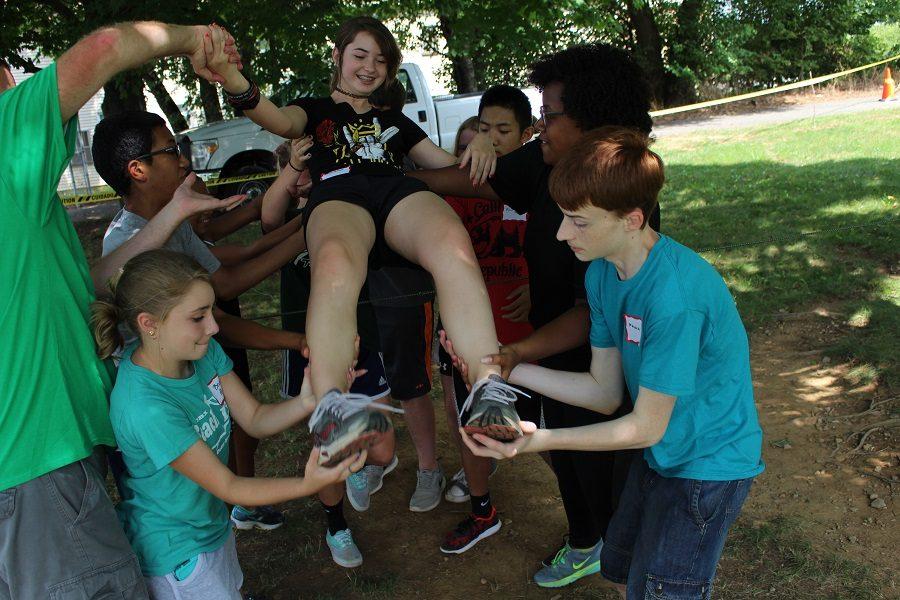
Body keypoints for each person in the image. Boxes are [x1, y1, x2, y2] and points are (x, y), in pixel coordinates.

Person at [458, 127, 764, 600]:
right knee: (621, 566)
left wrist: (538, 441)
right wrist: (504, 366)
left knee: (664, 590)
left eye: (578, 221)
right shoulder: (603, 272)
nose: (562, 234)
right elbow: (604, 393)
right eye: (561, 217)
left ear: (632, 219)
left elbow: (645, 427)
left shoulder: (675, 298)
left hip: (707, 463)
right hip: (662, 450)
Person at [204, 18, 519, 464]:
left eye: (381, 59)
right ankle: (334, 410)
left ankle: (488, 389)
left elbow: (450, 165)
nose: (370, 67)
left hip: (396, 192)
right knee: (333, 264)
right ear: (337, 57)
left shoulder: (397, 121)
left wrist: (484, 144)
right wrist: (231, 76)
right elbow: (273, 116)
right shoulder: (313, 112)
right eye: (360, 55)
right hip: (339, 193)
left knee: (452, 242)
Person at [0, 21, 243, 598]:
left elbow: (76, 286)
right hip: (38, 465)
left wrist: (172, 215)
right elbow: (106, 48)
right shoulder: (7, 151)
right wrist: (194, 39)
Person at [410, 43, 659, 587]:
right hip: (560, 344)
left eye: (550, 116)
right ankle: (586, 538)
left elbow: (587, 315)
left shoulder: (613, 195)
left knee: (603, 463)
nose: (540, 127)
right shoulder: (549, 160)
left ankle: (617, 548)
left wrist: (515, 354)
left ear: (593, 122)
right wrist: (383, 187)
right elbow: (464, 179)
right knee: (568, 454)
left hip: (600, 349)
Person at [92, 248, 365, 597]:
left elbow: (255, 418)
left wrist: (309, 399)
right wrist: (310, 483)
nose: (214, 326)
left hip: (209, 528)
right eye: (198, 317)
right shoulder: (146, 407)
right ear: (149, 324)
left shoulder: (199, 354)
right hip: (177, 552)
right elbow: (230, 487)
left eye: (211, 311)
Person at [93, 109, 319, 531]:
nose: (183, 160)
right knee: (179, 510)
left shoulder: (169, 222)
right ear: (137, 169)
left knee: (208, 501)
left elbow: (220, 285)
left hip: (191, 377)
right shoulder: (129, 243)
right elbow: (225, 292)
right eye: (170, 150)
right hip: (166, 405)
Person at [262, 138, 400, 568]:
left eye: (312, 167)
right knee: (329, 441)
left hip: (365, 339)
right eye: (296, 170)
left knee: (383, 450)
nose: (305, 177)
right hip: (310, 349)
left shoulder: (352, 204)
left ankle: (363, 469)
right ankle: (335, 524)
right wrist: (293, 182)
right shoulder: (289, 219)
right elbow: (267, 216)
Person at [438, 86, 538, 555]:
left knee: (550, 429)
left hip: (532, 338)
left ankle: (589, 516)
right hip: (474, 341)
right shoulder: (462, 184)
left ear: (527, 133)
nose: (494, 139)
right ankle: (482, 512)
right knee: (472, 424)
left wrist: (539, 286)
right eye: (485, 129)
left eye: (504, 130)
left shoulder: (541, 182)